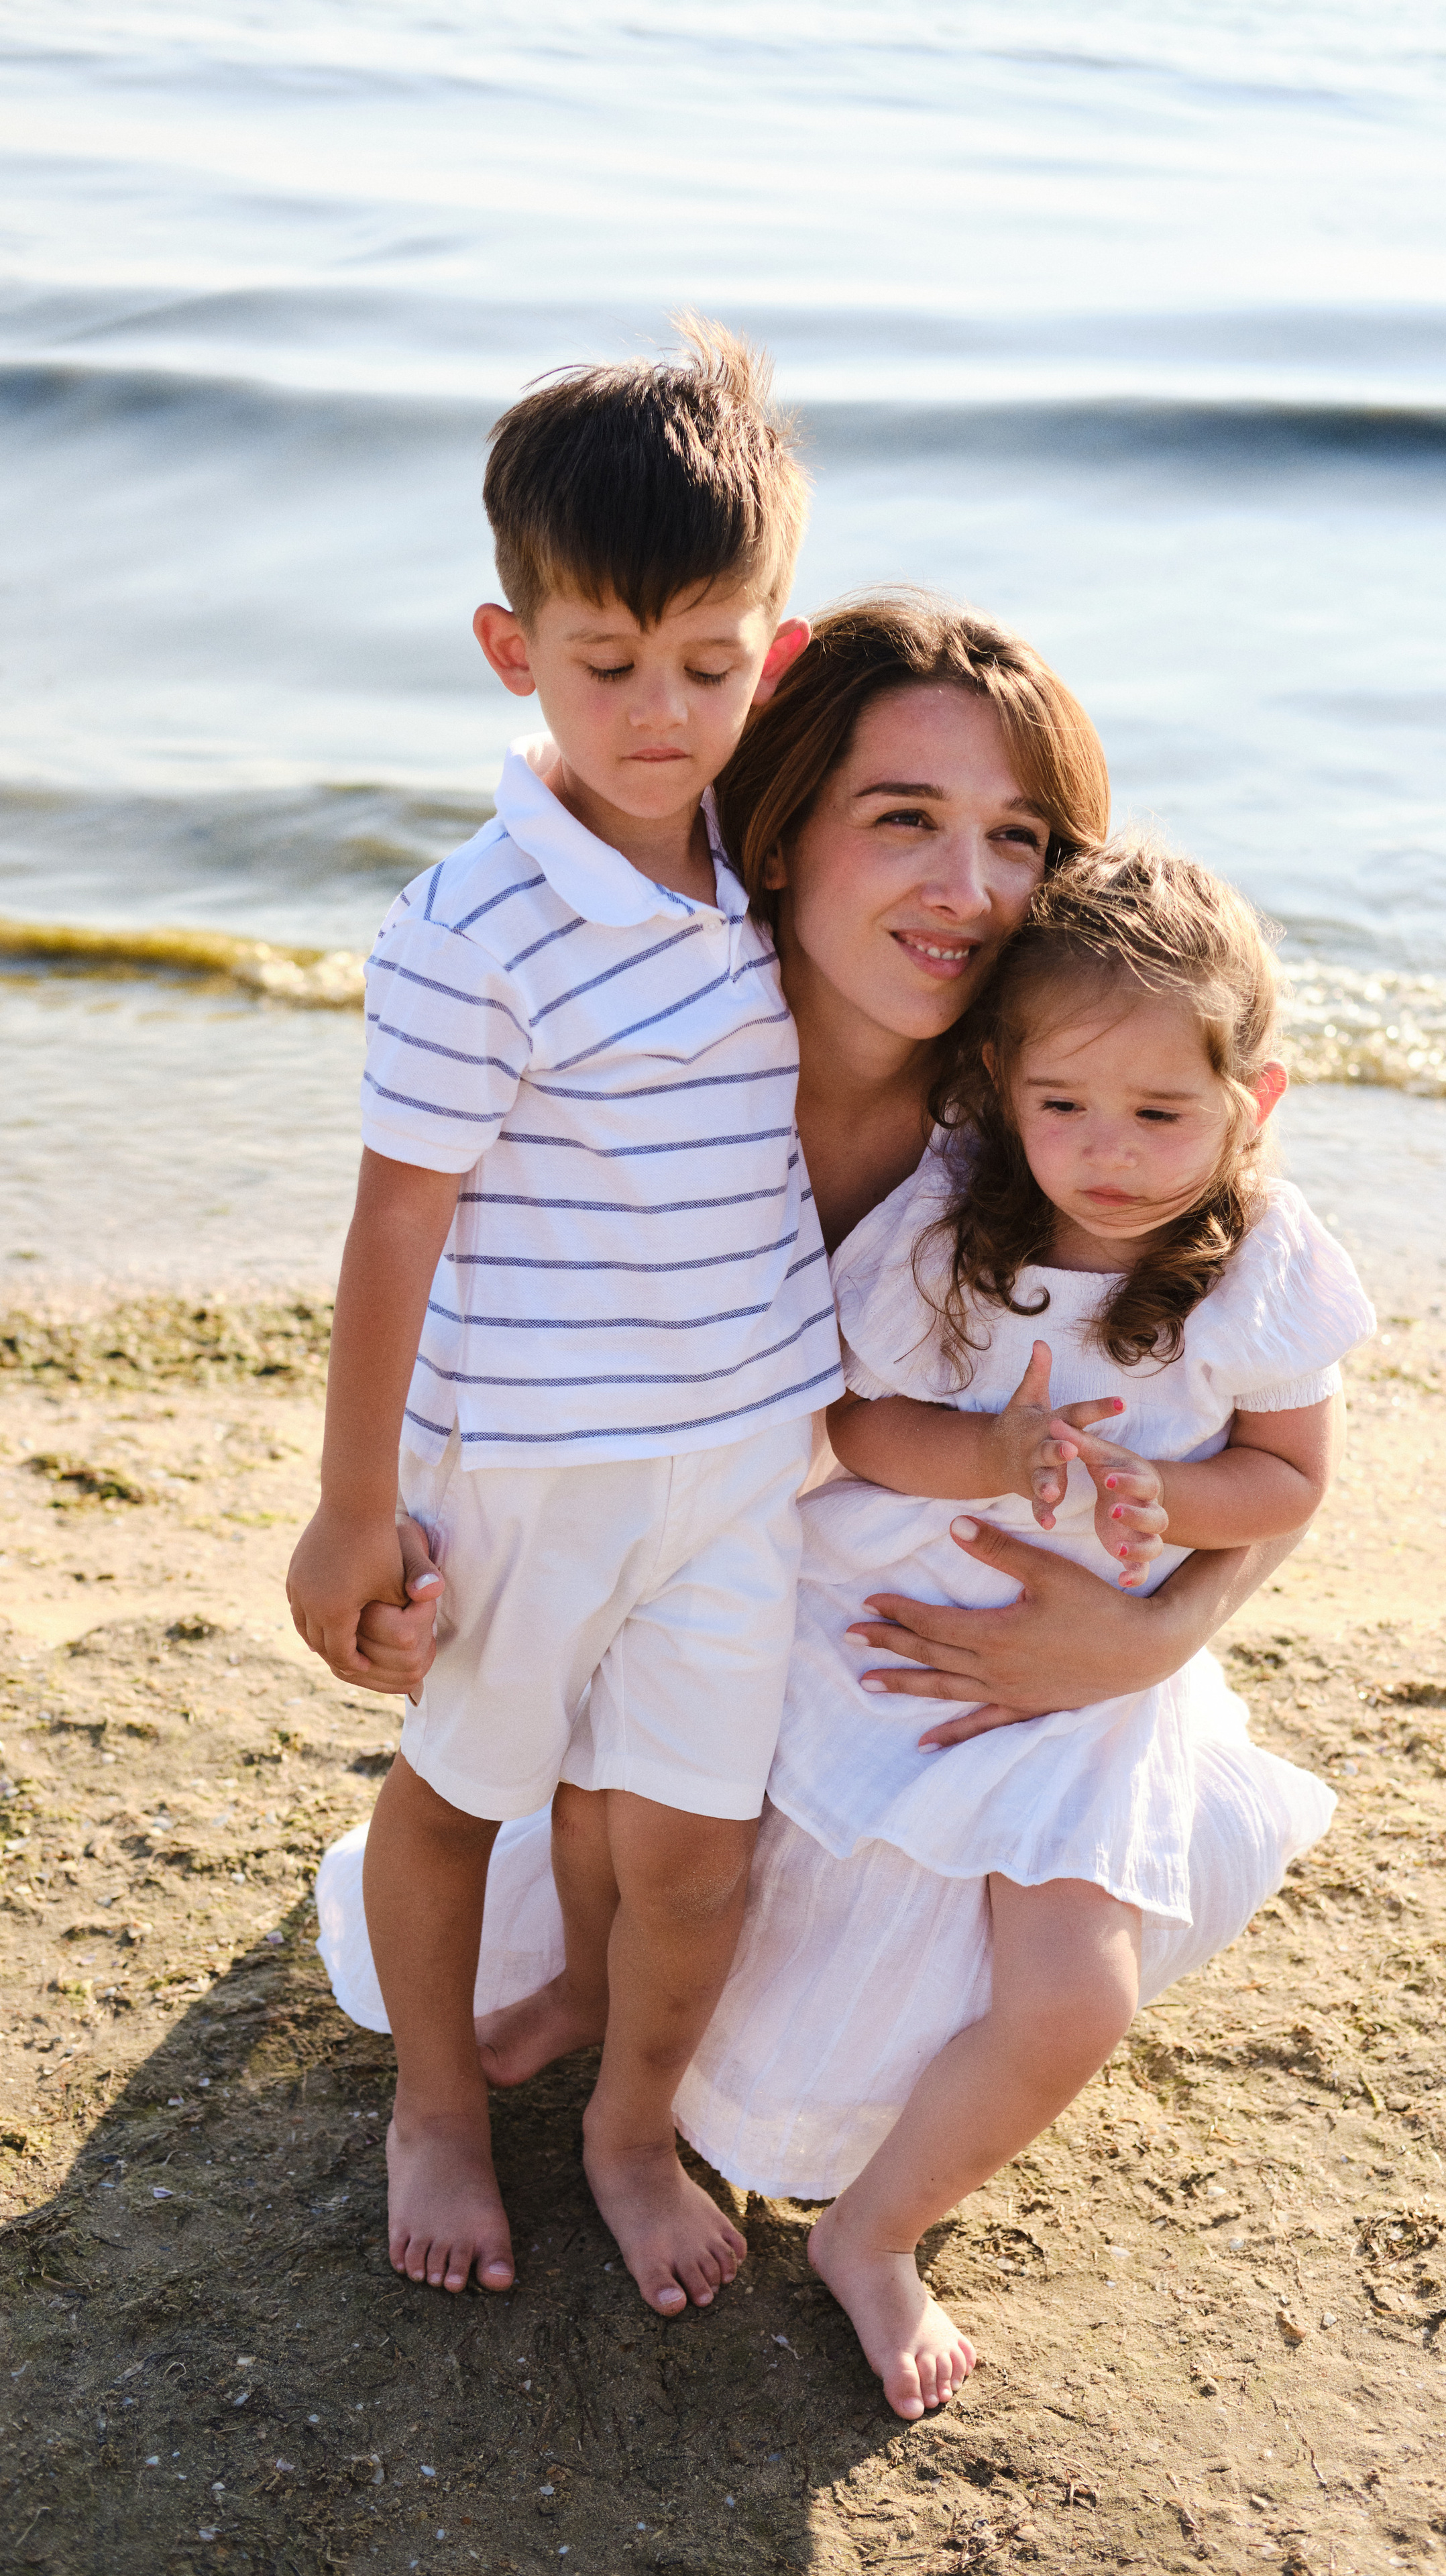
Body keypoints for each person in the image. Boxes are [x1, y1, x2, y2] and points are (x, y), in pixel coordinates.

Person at [315, 596, 1325, 2339]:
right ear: (782, 832)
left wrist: (1154, 1640)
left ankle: (721, 2120)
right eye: (905, 818)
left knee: (809, 2030)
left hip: (893, 1622)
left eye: (1019, 838)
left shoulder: (1058, 1106)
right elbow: (447, 1253)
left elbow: (1272, 1433)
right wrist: (377, 1514)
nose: (966, 888)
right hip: (623, 1549)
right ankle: (503, 2070)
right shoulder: (660, 1046)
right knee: (513, 1916)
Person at [286, 319, 841, 2315]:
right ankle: (434, 2100)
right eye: (608, 665)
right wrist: (354, 1507)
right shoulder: (472, 927)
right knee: (461, 1790)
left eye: (709, 666)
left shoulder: (761, 873)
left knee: (695, 1845)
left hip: (746, 1460)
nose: (661, 712)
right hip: (528, 1463)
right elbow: (393, 1223)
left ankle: (626, 2121)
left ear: (772, 654)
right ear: (513, 649)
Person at [673, 839, 1373, 2416]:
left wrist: (1159, 1503)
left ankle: (874, 2233)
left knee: (1072, 1995)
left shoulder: (1259, 1264)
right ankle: (651, 2088)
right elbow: (854, 1429)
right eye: (1062, 1107)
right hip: (881, 1612)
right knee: (711, 1874)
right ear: (994, 1085)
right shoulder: (948, 1227)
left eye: (1159, 1115)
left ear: (1251, 1104)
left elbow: (1286, 1479)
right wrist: (997, 1457)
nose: (1107, 1156)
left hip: (1081, 1693)